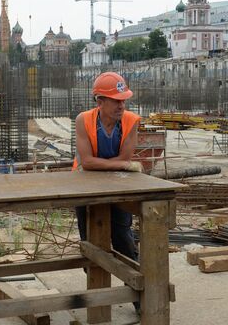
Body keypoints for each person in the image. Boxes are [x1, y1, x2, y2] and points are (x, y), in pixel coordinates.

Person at [73, 71, 143, 313]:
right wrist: (121, 165)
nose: (122, 105)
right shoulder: (84, 120)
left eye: (124, 100)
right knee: (90, 242)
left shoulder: (132, 121)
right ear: (100, 101)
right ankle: (99, 298)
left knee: (123, 239)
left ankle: (140, 298)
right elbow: (87, 162)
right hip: (84, 187)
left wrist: (118, 164)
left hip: (117, 186)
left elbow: (124, 157)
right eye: (116, 100)